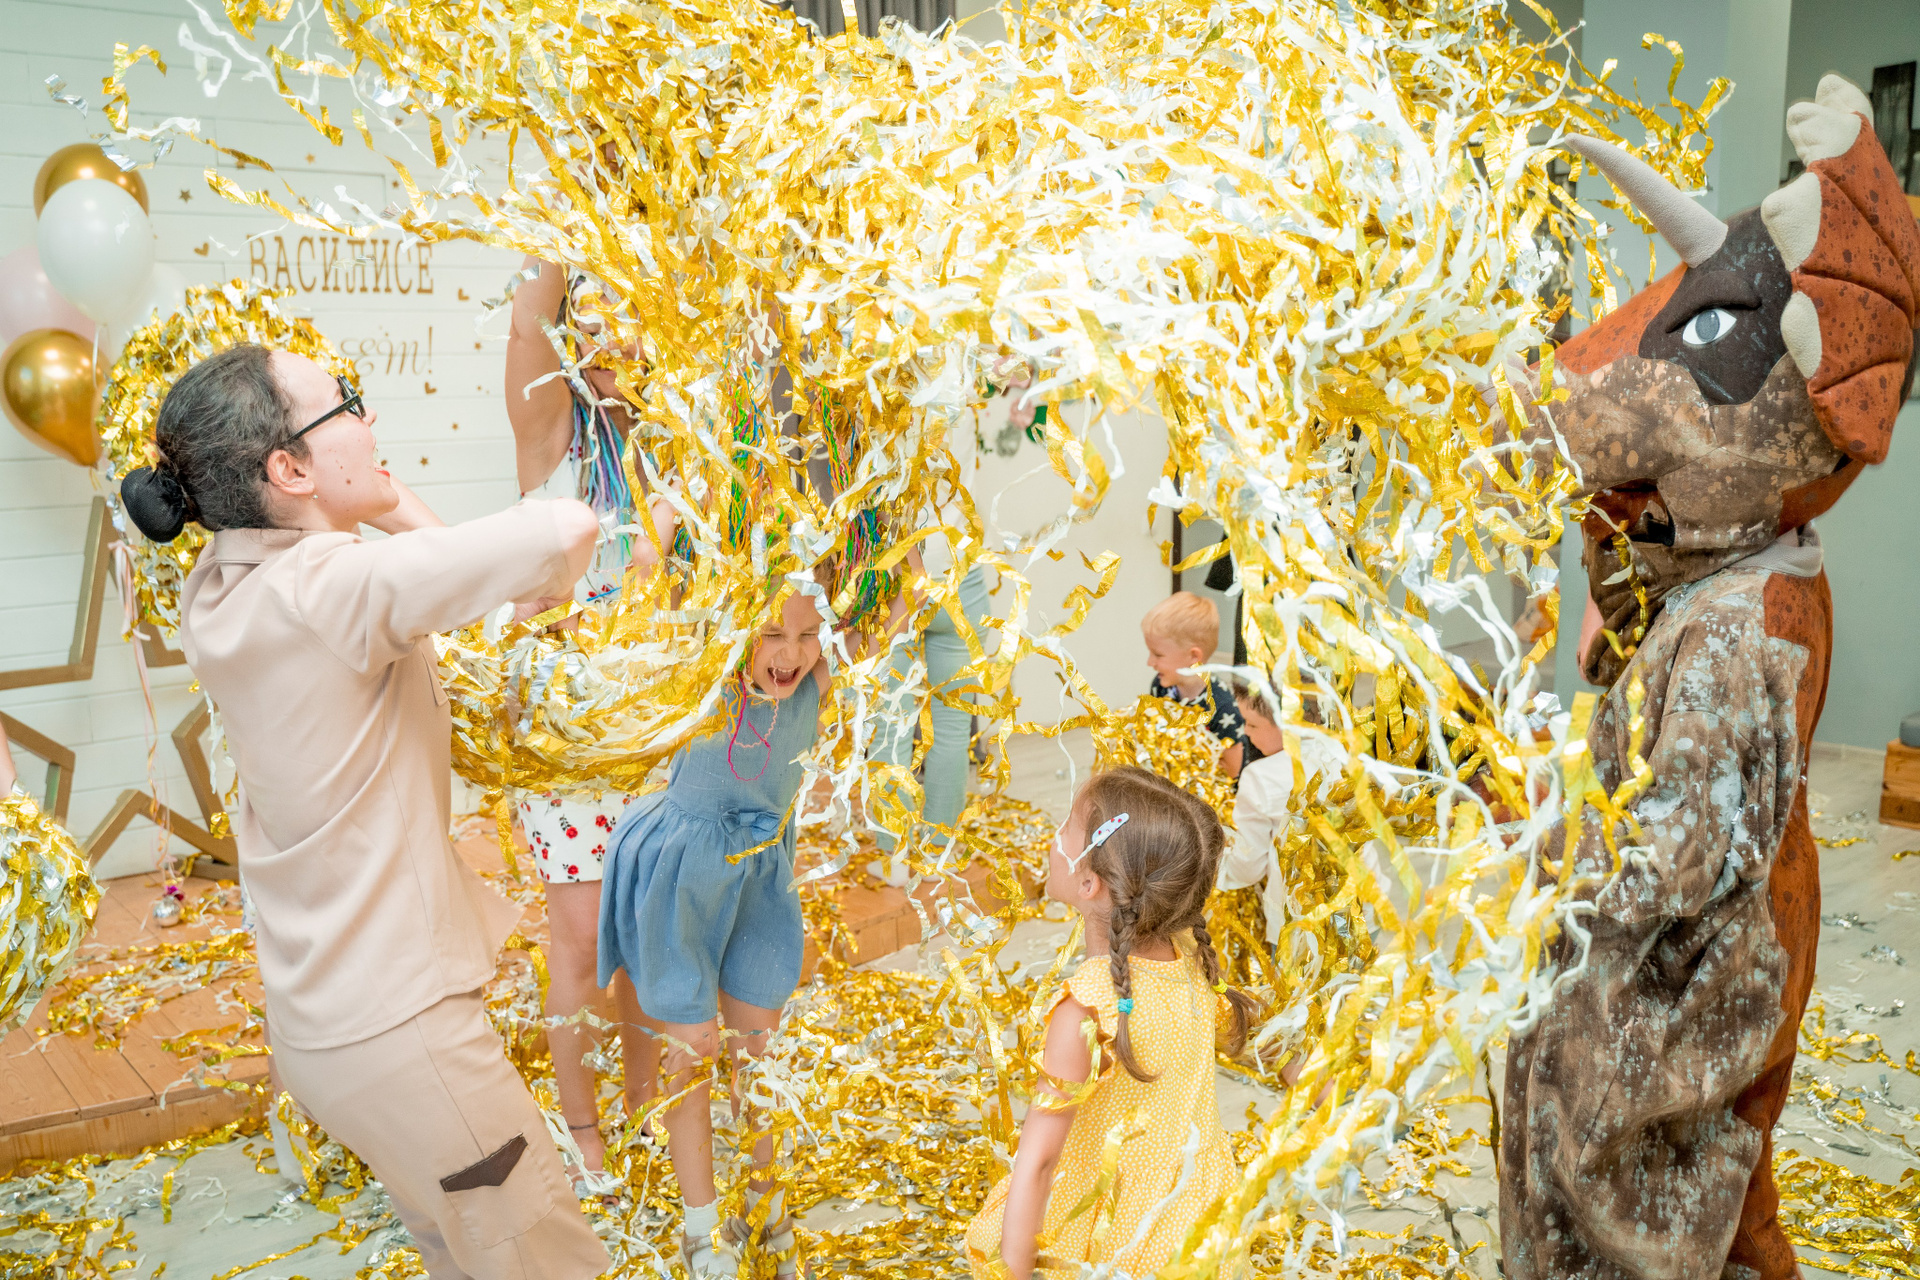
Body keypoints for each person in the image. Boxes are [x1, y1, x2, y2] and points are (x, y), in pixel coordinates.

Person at [123, 342, 610, 1280]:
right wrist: (386, 502)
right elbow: (564, 528)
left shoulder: (221, 583)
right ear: (288, 469)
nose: (368, 418)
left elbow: (462, 587)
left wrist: (368, 495)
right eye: (345, 403)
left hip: (328, 1035)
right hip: (408, 1040)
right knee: (546, 1260)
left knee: (461, 1254)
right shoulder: (329, 591)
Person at [598, 555, 865, 1279]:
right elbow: (654, 566)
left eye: (806, 636)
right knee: (694, 1051)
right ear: (738, 625)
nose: (789, 653)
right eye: (773, 633)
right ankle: (700, 1231)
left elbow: (895, 600)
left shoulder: (815, 687)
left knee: (758, 1051)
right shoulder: (706, 677)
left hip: (758, 882)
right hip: (682, 880)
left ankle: (764, 1201)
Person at [965, 766, 1258, 1280]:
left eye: (1065, 829)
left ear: (1089, 882)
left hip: (1116, 1237)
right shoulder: (1193, 964)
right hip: (1194, 1226)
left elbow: (1038, 1164)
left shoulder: (1087, 1009)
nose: (1052, 838)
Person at [505, 256, 656, 1173]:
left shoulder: (680, 450)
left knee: (646, 935)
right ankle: (585, 1131)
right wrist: (567, 224)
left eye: (626, 321)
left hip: (656, 734)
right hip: (565, 742)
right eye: (591, 323)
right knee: (581, 938)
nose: (610, 342)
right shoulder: (554, 435)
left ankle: (646, 1106)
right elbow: (528, 317)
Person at [1141, 591, 1245, 776]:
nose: (1150, 662)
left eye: (1158, 655)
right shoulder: (1160, 686)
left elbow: (1232, 769)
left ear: (1193, 656)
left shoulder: (1222, 706)